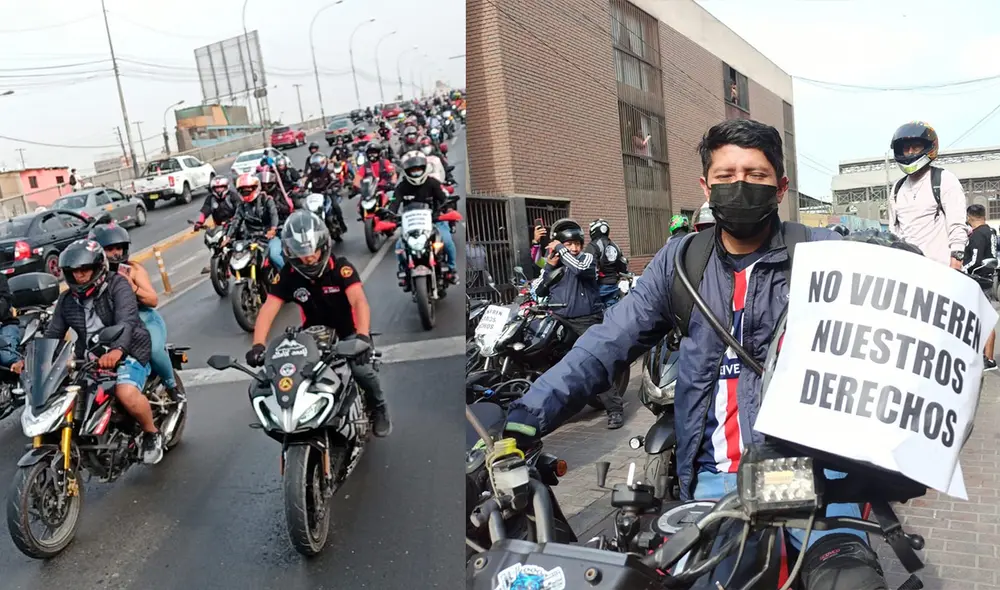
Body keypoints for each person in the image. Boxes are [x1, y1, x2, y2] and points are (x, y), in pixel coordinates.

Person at [504, 118, 887, 589]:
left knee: (850, 582)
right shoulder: (680, 262)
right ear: (705, 186)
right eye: (726, 177)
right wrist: (527, 413)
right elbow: (607, 343)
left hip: (820, 478)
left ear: (781, 187)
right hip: (718, 483)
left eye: (757, 175)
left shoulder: (827, 253)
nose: (740, 186)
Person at [247, 211, 391, 436]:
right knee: (291, 376)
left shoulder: (341, 268)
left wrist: (362, 338)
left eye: (312, 252)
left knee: (362, 370)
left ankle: (379, 407)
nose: (309, 258)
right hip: (312, 337)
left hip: (349, 334)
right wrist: (258, 345)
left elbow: (360, 302)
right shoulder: (288, 275)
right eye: (301, 254)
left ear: (323, 246)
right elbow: (268, 310)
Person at [43, 240, 161, 463]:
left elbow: (127, 321)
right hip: (87, 358)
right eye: (74, 272)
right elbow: (53, 334)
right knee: (62, 397)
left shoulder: (118, 285)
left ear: (97, 267)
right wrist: (34, 361)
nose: (80, 276)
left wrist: (117, 351)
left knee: (125, 393)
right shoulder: (66, 300)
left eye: (84, 270)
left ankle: (150, 433)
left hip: (129, 350)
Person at [537, 219, 619, 427]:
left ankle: (614, 410)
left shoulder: (587, 258)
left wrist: (562, 252)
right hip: (559, 318)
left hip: (586, 319)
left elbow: (581, 269)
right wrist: (549, 265)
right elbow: (540, 290)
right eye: (568, 244)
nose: (574, 248)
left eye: (577, 244)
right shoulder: (556, 261)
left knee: (596, 362)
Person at [90, 224, 183, 403]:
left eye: (119, 248)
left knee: (155, 350)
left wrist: (132, 287)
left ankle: (172, 387)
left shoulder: (133, 270)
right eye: (109, 249)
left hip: (144, 319)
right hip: (112, 324)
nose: (116, 253)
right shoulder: (93, 274)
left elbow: (152, 300)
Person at [887, 121, 968, 268]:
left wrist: (957, 257)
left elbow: (957, 224)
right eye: (906, 148)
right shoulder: (897, 188)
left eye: (916, 146)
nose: (910, 152)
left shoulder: (943, 179)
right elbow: (894, 232)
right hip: (907, 271)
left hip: (939, 270)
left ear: (929, 147)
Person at [390, 151, 457, 286]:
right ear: (407, 172)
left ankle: (451, 269)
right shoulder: (402, 187)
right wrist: (389, 215)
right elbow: (394, 203)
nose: (416, 173)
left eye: (418, 170)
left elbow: (445, 199)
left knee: (447, 240)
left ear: (425, 169)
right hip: (411, 224)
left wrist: (448, 208)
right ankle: (404, 271)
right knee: (399, 247)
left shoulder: (433, 183)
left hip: (435, 221)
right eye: (412, 171)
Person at [224, 173, 283, 270]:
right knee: (239, 259)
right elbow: (236, 221)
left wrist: (273, 229)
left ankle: (286, 277)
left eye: (248, 189)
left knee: (274, 255)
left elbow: (274, 215)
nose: (245, 192)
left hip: (269, 237)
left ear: (256, 188)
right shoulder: (241, 207)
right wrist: (228, 237)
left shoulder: (267, 200)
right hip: (251, 240)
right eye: (242, 191)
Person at [964, 203, 998, 370]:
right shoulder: (991, 231)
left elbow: (974, 261)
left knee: (982, 319)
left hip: (978, 279)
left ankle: (988, 358)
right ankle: (987, 357)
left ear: (969, 217)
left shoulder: (977, 235)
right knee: (985, 317)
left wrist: (961, 269)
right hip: (988, 277)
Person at [586, 219, 628, 308]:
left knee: (597, 314)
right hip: (613, 286)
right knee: (613, 312)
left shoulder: (593, 245)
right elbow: (623, 266)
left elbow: (589, 268)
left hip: (599, 287)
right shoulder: (615, 245)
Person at [304, 153, 348, 235]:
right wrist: (303, 189)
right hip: (316, 196)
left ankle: (342, 224)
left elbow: (335, 180)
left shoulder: (328, 171)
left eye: (316, 165)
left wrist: (333, 187)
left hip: (328, 193)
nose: (315, 167)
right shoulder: (312, 174)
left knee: (335, 206)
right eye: (313, 165)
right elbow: (306, 183)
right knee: (308, 209)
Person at [0, 273, 22, 374]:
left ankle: (25, 384)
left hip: (5, 324)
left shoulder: (0, 278)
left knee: (6, 357)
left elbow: (4, 302)